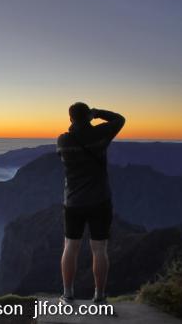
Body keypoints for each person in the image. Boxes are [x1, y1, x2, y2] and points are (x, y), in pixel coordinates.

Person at [56, 102, 125, 304]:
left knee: (70, 246)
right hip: (100, 201)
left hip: (73, 202)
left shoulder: (63, 140)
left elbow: (62, 156)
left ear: (70, 119)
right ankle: (100, 296)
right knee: (100, 249)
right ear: (88, 116)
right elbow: (120, 120)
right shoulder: (100, 135)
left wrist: (83, 121)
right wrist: (98, 114)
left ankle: (68, 294)